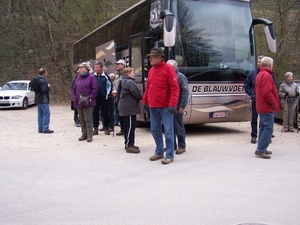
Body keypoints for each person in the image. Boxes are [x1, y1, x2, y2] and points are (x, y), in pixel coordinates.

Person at [142, 48, 179, 164]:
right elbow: (148, 88)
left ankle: (169, 155)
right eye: (150, 56)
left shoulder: (168, 69)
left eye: (152, 57)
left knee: (168, 131)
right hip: (153, 105)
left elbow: (175, 87)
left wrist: (173, 103)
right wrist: (145, 101)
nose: (150, 59)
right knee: (154, 130)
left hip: (165, 106)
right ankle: (159, 152)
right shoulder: (151, 70)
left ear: (159, 58)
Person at [254, 56, 280, 159]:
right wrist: (274, 103)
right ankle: (260, 149)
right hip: (266, 106)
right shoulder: (266, 75)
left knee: (263, 127)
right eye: (272, 65)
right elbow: (267, 92)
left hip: (261, 105)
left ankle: (262, 147)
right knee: (268, 128)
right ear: (269, 65)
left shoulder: (260, 74)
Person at [166, 59, 189, 155]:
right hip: (169, 106)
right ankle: (172, 145)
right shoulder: (168, 76)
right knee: (170, 127)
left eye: (168, 66)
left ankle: (181, 146)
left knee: (179, 126)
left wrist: (182, 106)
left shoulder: (180, 77)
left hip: (177, 105)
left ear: (174, 67)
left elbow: (185, 92)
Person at [118, 67, 143, 153]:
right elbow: (137, 94)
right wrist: (141, 94)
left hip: (124, 107)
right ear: (128, 73)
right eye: (133, 72)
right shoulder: (130, 82)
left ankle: (129, 143)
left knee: (126, 127)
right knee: (130, 127)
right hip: (129, 108)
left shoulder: (122, 81)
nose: (134, 74)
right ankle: (129, 145)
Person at [72, 62, 98, 142]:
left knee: (88, 119)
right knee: (81, 119)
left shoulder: (91, 77)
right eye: (79, 68)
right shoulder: (78, 78)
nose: (79, 69)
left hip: (88, 101)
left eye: (81, 68)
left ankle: (90, 135)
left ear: (86, 69)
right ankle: (84, 134)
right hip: (78, 101)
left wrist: (91, 97)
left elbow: (95, 89)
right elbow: (73, 89)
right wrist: (73, 97)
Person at [244, 55, 264, 144]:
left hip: (264, 100)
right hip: (255, 99)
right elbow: (246, 85)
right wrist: (252, 95)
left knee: (264, 119)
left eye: (260, 62)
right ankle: (254, 135)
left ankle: (263, 136)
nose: (259, 63)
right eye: (258, 62)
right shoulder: (252, 73)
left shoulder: (269, 74)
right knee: (254, 118)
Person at [93, 62, 114, 135]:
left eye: (97, 67)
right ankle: (95, 128)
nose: (96, 69)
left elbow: (109, 86)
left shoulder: (106, 77)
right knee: (95, 114)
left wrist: (107, 95)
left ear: (101, 68)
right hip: (95, 98)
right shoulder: (93, 76)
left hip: (104, 98)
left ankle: (106, 127)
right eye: (95, 67)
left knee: (105, 114)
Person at [35, 68, 54, 134]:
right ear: (44, 73)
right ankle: (45, 128)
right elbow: (44, 90)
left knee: (40, 114)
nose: (47, 73)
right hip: (43, 99)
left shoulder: (37, 79)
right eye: (46, 72)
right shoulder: (43, 81)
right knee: (46, 113)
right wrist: (48, 87)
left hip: (38, 99)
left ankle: (40, 128)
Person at [114, 59, 126, 136]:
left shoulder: (125, 74)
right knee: (118, 113)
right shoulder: (116, 74)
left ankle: (125, 129)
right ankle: (122, 128)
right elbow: (114, 84)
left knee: (124, 114)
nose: (117, 66)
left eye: (118, 64)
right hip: (116, 96)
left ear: (123, 65)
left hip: (123, 97)